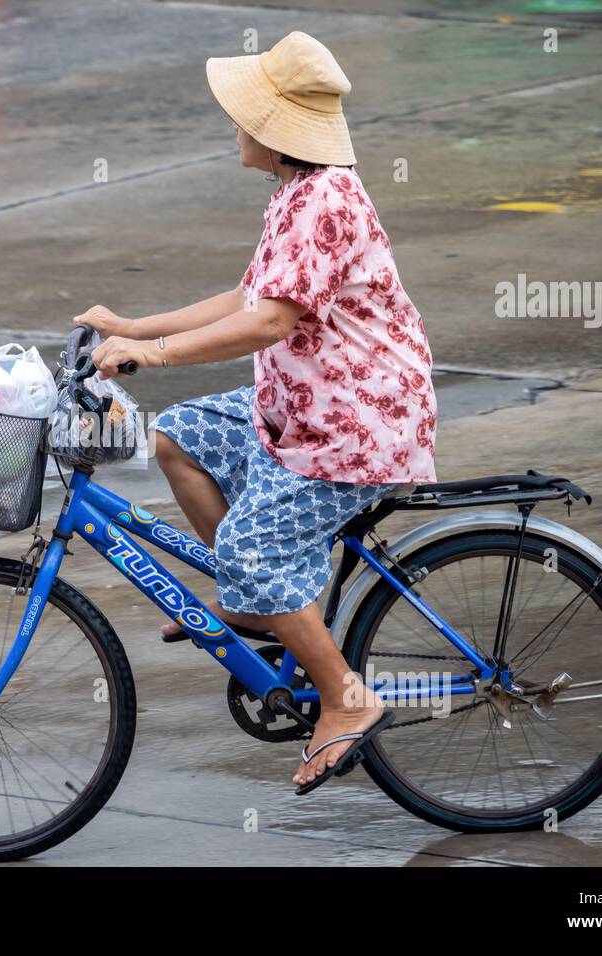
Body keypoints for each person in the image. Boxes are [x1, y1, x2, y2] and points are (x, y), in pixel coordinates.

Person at [81, 31, 437, 793]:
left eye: (243, 118)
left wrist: (158, 357)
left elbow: (271, 323)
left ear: (275, 134)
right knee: (179, 437)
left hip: (353, 427)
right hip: (301, 407)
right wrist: (135, 328)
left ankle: (346, 700)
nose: (234, 129)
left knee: (250, 549)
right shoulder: (295, 197)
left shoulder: (324, 204)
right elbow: (247, 297)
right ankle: (258, 613)